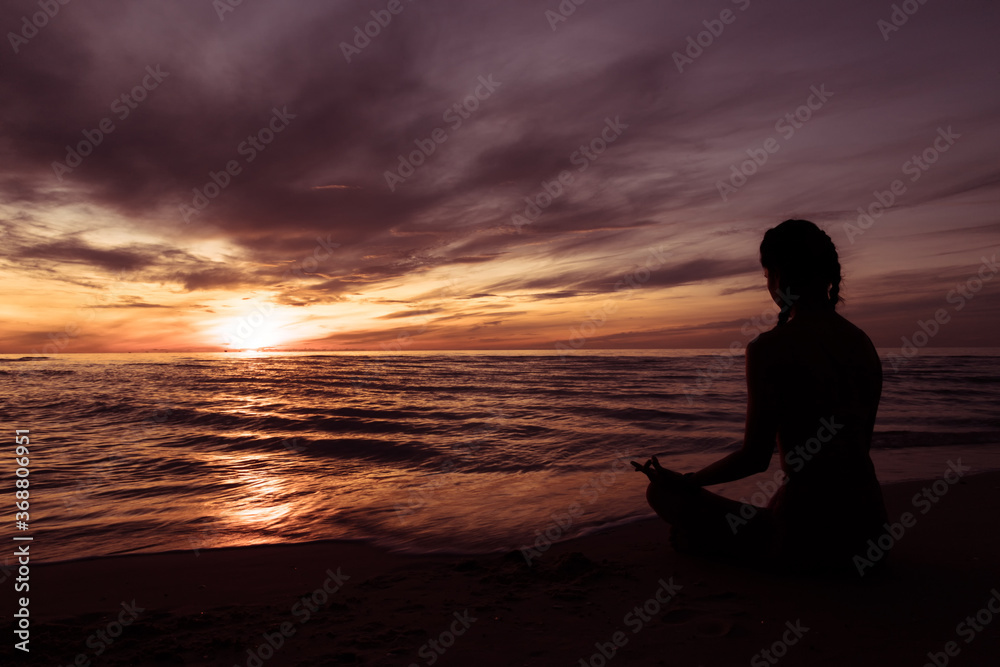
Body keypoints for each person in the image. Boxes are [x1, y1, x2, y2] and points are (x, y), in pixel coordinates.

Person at [633, 219, 888, 573]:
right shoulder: (863, 343)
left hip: (808, 536)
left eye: (767, 274)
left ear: (778, 275)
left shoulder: (770, 347)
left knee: (661, 494)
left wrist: (687, 481)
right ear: (829, 275)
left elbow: (754, 458)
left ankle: (736, 547)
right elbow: (855, 450)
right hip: (871, 531)